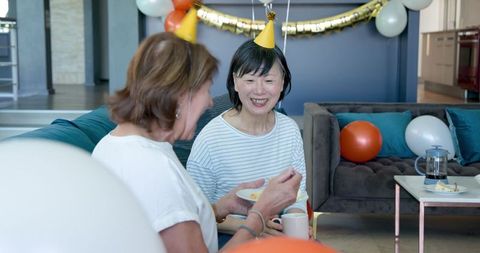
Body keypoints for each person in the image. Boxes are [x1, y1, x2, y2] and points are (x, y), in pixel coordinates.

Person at [91, 30, 301, 253]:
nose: (211, 102)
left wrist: (219, 207)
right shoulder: (154, 171)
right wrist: (259, 214)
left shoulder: (115, 144)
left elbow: (165, 218)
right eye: (206, 90)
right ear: (182, 96)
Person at [186, 36, 307, 240]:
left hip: (276, 236)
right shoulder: (211, 139)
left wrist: (295, 228)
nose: (259, 90)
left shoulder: (290, 130)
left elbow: (297, 198)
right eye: (250, 80)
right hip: (228, 238)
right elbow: (195, 213)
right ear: (235, 82)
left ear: (282, 83)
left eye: (268, 80)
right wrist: (252, 225)